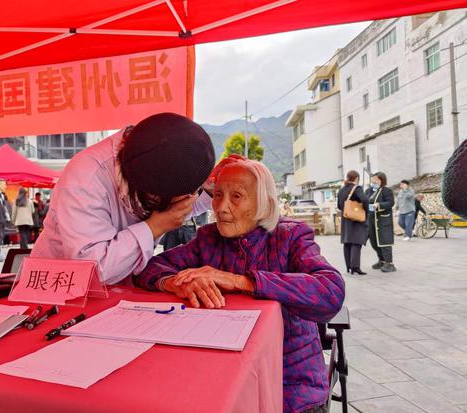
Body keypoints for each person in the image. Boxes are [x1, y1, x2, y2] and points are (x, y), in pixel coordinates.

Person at [134, 159, 345, 413]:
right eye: (218, 195)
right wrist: (174, 283)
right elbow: (146, 268)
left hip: (289, 383)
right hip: (220, 376)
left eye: (236, 196)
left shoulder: (290, 236)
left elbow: (330, 291)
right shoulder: (208, 239)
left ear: (264, 204)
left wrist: (239, 281)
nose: (221, 208)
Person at [32, 112, 227, 285]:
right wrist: (154, 227)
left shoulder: (157, 157)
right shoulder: (87, 178)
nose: (188, 199)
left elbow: (172, 208)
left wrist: (209, 189)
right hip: (56, 289)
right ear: (151, 193)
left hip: (117, 291)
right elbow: (94, 269)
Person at [337, 170, 369, 275]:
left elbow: (339, 206)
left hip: (346, 219)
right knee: (356, 242)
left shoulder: (341, 190)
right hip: (356, 219)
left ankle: (348, 266)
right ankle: (355, 267)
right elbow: (365, 200)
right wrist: (365, 210)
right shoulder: (357, 188)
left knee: (347, 242)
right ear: (356, 178)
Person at [365, 172, 396, 272]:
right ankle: (382, 260)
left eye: (376, 180)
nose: (373, 181)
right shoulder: (368, 191)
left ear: (382, 180)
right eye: (373, 179)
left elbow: (390, 203)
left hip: (382, 220)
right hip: (371, 220)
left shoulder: (387, 191)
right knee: (374, 241)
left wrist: (378, 205)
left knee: (385, 242)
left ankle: (389, 263)